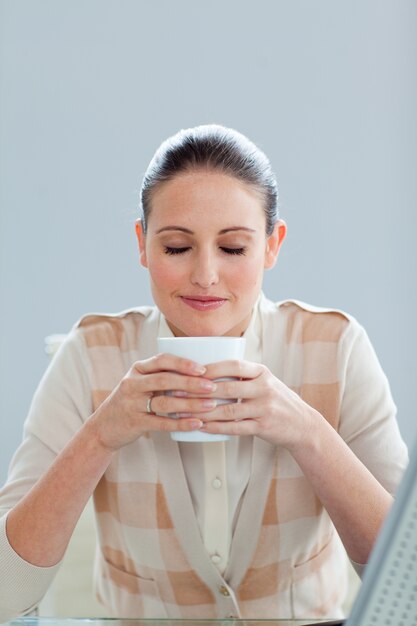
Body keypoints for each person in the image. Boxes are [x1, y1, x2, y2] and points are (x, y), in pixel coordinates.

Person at [0, 124, 408, 621]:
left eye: (233, 248)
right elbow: (7, 592)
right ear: (143, 244)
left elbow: (406, 584)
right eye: (176, 247)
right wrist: (100, 436)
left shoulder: (336, 349)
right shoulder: (90, 356)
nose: (206, 275)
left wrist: (307, 432)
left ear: (272, 245)